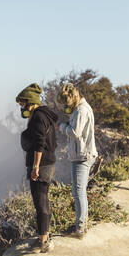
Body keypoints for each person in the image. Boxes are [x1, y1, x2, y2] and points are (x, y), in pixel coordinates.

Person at [17, 83, 58, 253]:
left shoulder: (39, 117)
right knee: (42, 201)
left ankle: (42, 242)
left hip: (41, 165)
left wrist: (35, 167)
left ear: (30, 101)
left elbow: (40, 144)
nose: (22, 107)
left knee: (40, 202)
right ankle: (44, 236)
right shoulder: (45, 115)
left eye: (22, 104)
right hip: (47, 163)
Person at [57, 83, 98, 239]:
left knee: (79, 192)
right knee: (79, 192)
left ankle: (80, 229)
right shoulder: (82, 108)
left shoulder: (81, 110)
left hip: (82, 156)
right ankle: (81, 225)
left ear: (71, 98)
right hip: (82, 155)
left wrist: (62, 127)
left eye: (65, 103)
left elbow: (75, 132)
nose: (64, 107)